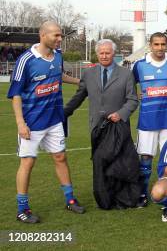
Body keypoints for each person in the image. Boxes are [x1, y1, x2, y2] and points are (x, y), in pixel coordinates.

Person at [8, 21, 84, 223]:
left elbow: (59, 75)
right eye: (56, 36)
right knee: (28, 162)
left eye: (61, 36)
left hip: (54, 119)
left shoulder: (57, 55)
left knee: (60, 157)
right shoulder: (26, 60)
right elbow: (15, 94)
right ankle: (22, 208)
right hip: (31, 122)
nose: (60, 39)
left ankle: (70, 199)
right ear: (43, 35)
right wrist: (20, 123)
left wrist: (79, 81)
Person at [64, 39, 140, 208]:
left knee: (119, 163)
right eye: (101, 53)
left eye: (108, 52)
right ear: (97, 54)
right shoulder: (88, 74)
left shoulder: (126, 74)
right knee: (100, 162)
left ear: (114, 54)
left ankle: (122, 198)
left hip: (118, 127)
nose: (104, 56)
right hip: (97, 128)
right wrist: (64, 112)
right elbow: (79, 96)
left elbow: (133, 100)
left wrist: (120, 114)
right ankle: (104, 198)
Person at [132, 32, 167, 207]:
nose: (160, 48)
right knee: (145, 158)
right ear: (150, 45)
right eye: (156, 44)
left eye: (163, 44)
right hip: (147, 121)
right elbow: (130, 86)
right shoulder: (139, 65)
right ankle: (142, 194)